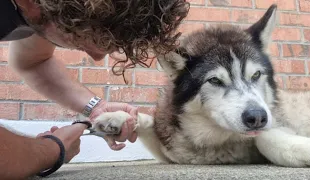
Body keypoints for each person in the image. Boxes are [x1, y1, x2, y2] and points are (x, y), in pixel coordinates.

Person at [0, 0, 190, 179]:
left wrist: (96, 107)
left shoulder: (43, 10)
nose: (97, 57)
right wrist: (54, 148)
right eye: (80, 37)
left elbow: (33, 61)